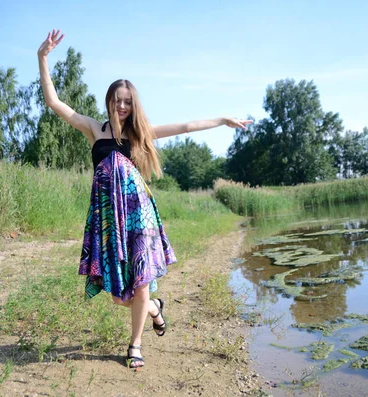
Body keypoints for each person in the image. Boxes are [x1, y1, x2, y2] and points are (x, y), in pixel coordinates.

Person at [37, 29, 252, 369]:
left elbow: (185, 125)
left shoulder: (141, 133)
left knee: (139, 284)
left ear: (133, 104)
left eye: (127, 101)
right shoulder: (95, 130)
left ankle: (135, 345)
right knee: (117, 292)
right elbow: (55, 103)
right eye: (117, 100)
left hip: (139, 216)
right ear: (109, 100)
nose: (121, 106)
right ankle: (154, 308)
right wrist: (43, 57)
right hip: (108, 217)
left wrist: (223, 120)